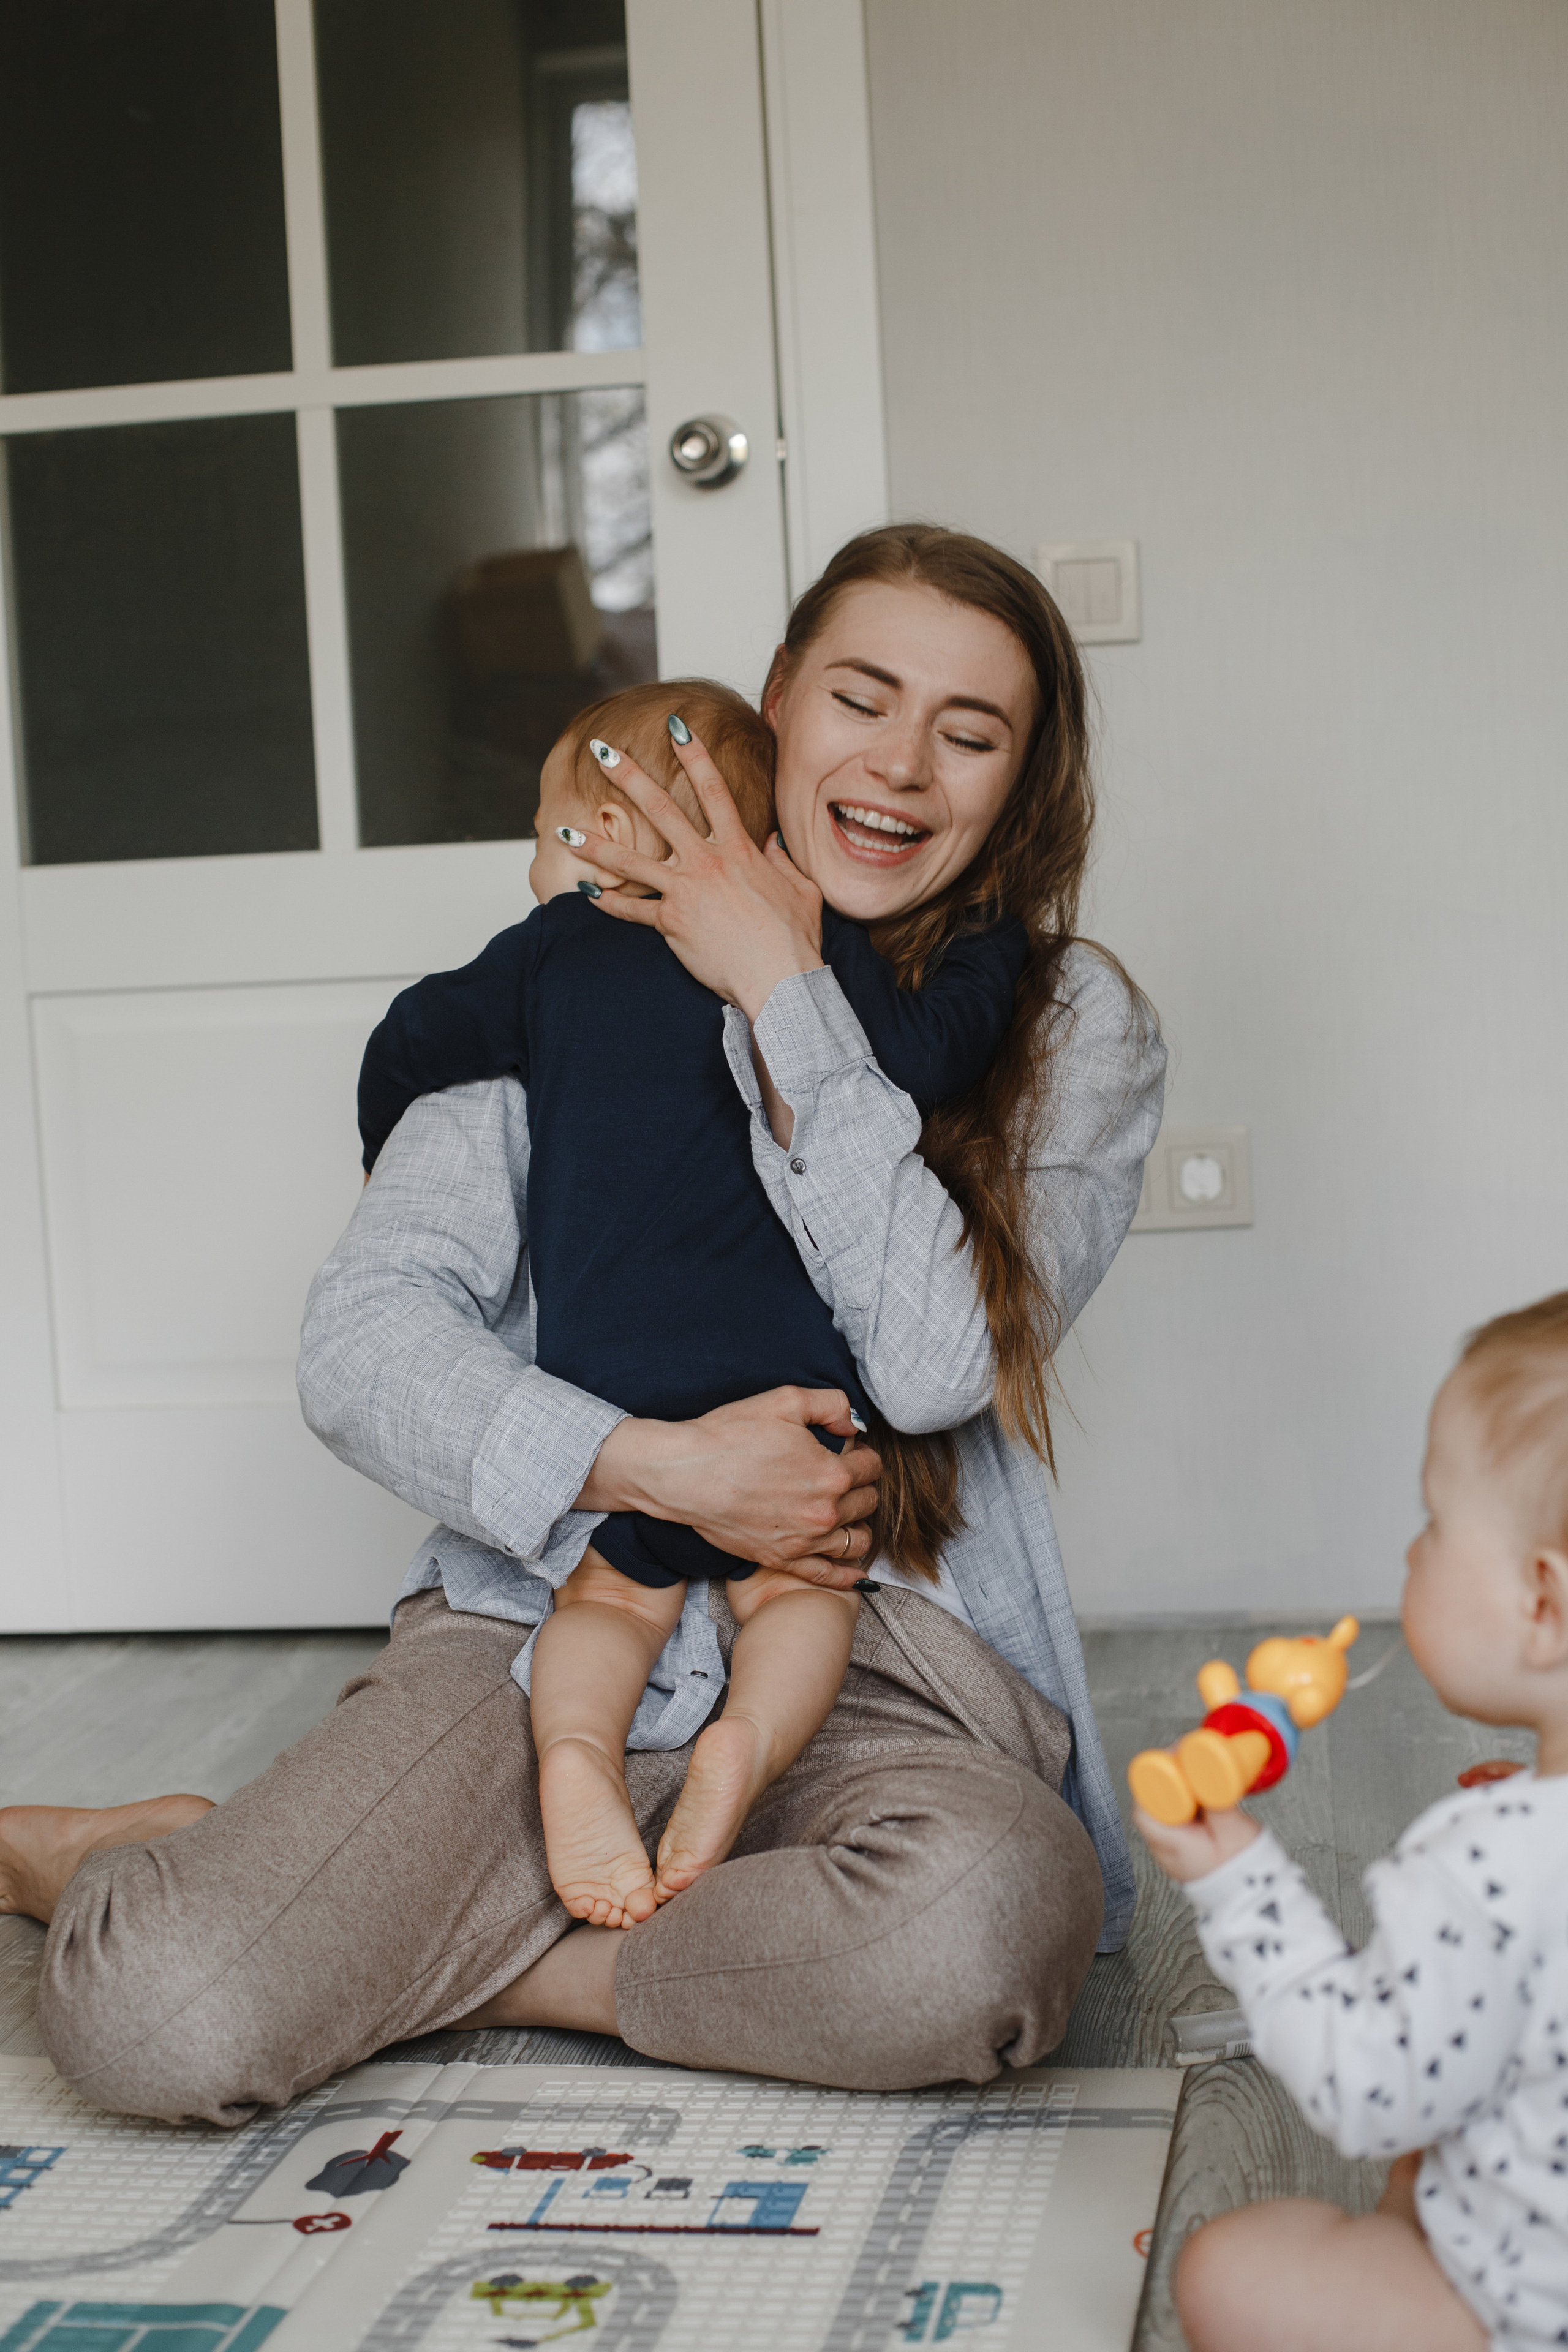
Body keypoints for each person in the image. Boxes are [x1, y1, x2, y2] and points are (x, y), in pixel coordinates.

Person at [2, 524, 1166, 2127]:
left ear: (1019, 785)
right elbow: (365, 1340)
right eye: (863, 699)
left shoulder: (1064, 1017)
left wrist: (783, 992)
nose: (903, 763)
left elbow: (928, 1364)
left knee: (979, 1935)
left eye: (969, 735)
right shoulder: (575, 963)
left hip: (876, 1643)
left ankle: (449, 1953)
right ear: (774, 708)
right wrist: (656, 1466)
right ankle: (186, 1870)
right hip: (548, 1621)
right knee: (162, 2010)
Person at [356, 676, 1029, 1929]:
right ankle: (749, 1747)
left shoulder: (546, 955)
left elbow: (409, 1034)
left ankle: (573, 1755)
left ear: (620, 835)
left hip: (606, 1384)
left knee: (609, 1598)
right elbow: (931, 1051)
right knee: (798, 1595)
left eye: (554, 836)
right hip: (788, 1391)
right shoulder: (802, 943)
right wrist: (994, 942)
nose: (532, 874)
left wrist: (373, 1132)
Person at [1139, 1292, 1568, 2352]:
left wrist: (1238, 1873)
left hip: (1520, 2306)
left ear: (1544, 1603)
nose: (1414, 1554)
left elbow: (1371, 2089)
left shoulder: (1492, 1864)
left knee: (1231, 2269)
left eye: (1435, 1522)